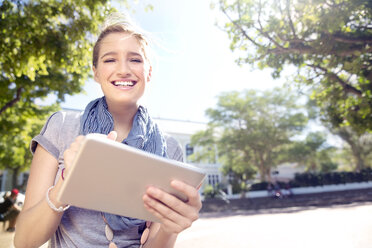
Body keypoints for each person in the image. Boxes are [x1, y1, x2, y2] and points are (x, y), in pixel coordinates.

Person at [14, 13, 202, 248]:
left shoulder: (170, 149)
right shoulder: (61, 126)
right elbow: (23, 241)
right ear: (95, 72)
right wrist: (67, 181)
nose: (123, 70)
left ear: (149, 72)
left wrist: (169, 227)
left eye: (135, 60)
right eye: (110, 60)